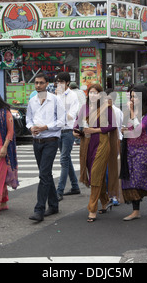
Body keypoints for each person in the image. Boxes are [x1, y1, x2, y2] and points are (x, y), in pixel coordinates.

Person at [74, 84, 118, 222]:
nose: (92, 95)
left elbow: (112, 125)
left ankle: (92, 209)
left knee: (95, 173)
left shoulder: (106, 108)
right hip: (86, 144)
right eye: (90, 92)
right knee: (95, 175)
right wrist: (75, 131)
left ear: (100, 95)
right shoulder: (84, 108)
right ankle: (105, 201)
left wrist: (96, 130)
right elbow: (76, 124)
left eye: (95, 92)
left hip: (102, 143)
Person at [26, 73, 65, 222]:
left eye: (41, 83)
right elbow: (28, 120)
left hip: (51, 140)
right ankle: (54, 205)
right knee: (46, 174)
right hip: (37, 142)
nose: (38, 86)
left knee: (43, 174)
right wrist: (31, 128)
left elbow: (61, 122)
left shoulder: (55, 100)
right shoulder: (32, 101)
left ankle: (39, 209)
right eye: (36, 83)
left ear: (47, 84)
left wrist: (45, 127)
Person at [120, 84, 147, 221]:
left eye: (135, 96)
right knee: (132, 179)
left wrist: (132, 112)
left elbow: (140, 128)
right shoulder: (129, 112)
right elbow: (129, 128)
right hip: (130, 148)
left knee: (143, 177)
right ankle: (136, 210)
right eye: (131, 96)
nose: (132, 99)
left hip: (143, 149)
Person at [55, 72, 81, 201]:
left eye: (61, 81)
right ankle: (75, 186)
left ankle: (59, 191)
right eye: (57, 81)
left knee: (64, 159)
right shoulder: (56, 96)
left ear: (67, 83)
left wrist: (60, 113)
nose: (58, 84)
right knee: (67, 159)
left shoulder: (73, 96)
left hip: (68, 131)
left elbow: (72, 114)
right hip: (58, 131)